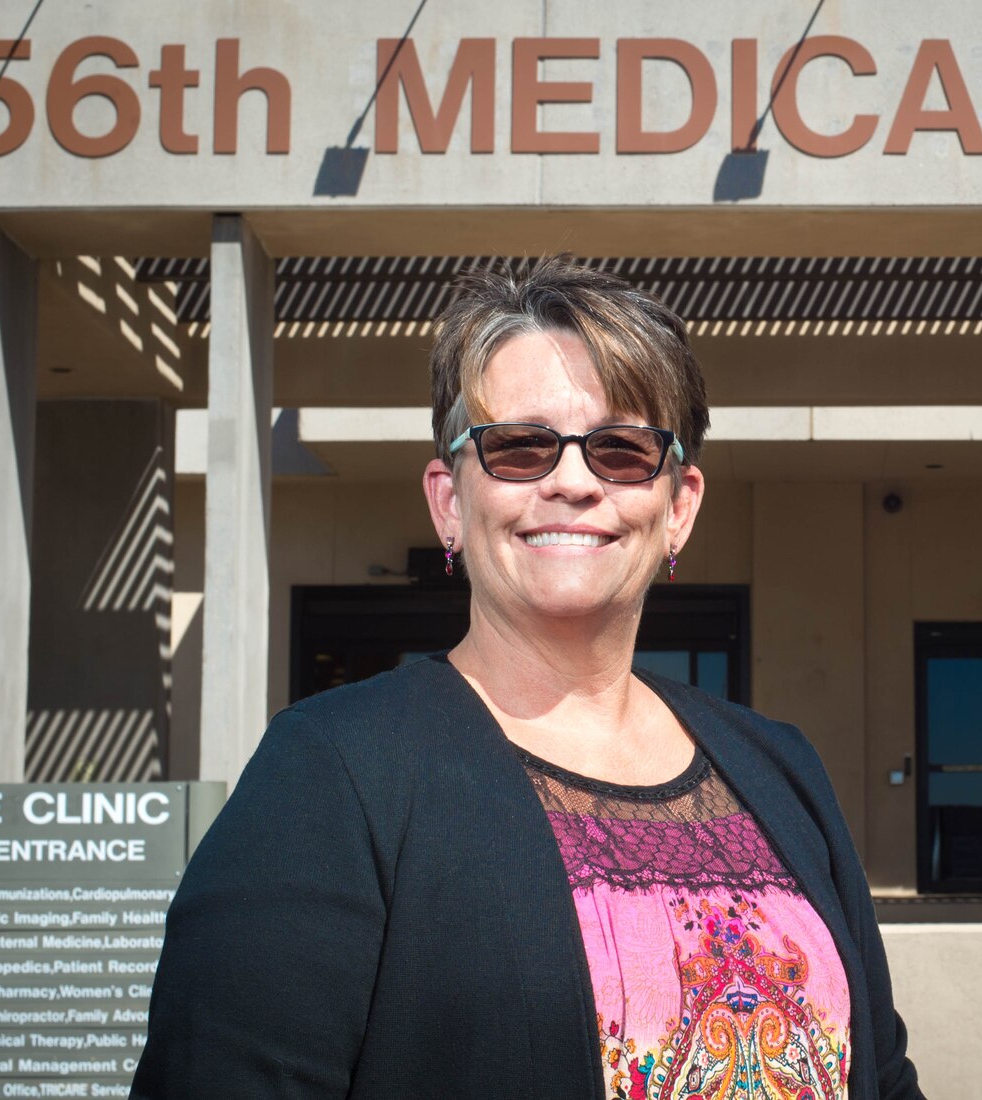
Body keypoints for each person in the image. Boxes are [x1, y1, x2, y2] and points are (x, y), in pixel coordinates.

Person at [132, 257, 922, 1099]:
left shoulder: (781, 768)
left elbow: (881, 1074)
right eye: (519, 447)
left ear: (679, 506)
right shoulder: (332, 774)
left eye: (622, 450)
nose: (573, 481)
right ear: (448, 502)